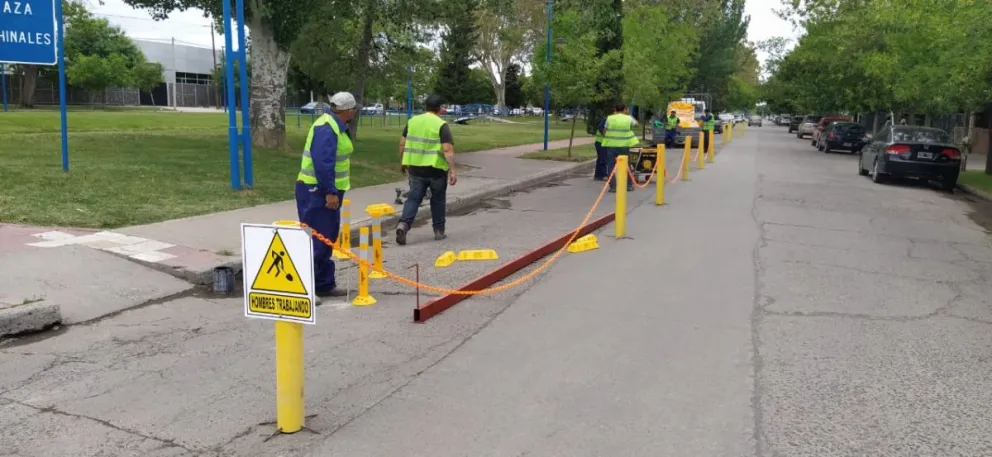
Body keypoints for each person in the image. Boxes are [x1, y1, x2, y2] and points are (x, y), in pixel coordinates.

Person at [296, 92, 357, 298]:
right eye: (353, 110)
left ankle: (323, 284)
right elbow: (323, 164)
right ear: (348, 111)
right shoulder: (327, 127)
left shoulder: (334, 125)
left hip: (323, 190)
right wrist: (330, 192)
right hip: (317, 191)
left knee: (327, 238)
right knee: (316, 240)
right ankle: (308, 289)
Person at [396, 94, 457, 245]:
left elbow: (402, 143)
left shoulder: (413, 121)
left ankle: (403, 224)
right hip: (436, 170)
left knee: (414, 198)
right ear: (440, 109)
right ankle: (438, 231)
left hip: (415, 169)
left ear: (425, 107)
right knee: (438, 200)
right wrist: (453, 170)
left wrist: (403, 162)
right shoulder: (441, 124)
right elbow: (447, 149)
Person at [600, 103, 639, 193]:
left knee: (610, 166)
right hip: (624, 146)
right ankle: (629, 186)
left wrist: (606, 137)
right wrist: (630, 116)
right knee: (627, 166)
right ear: (625, 109)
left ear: (616, 109)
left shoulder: (610, 118)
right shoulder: (628, 118)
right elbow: (636, 124)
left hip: (611, 145)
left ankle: (613, 187)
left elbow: (605, 130)